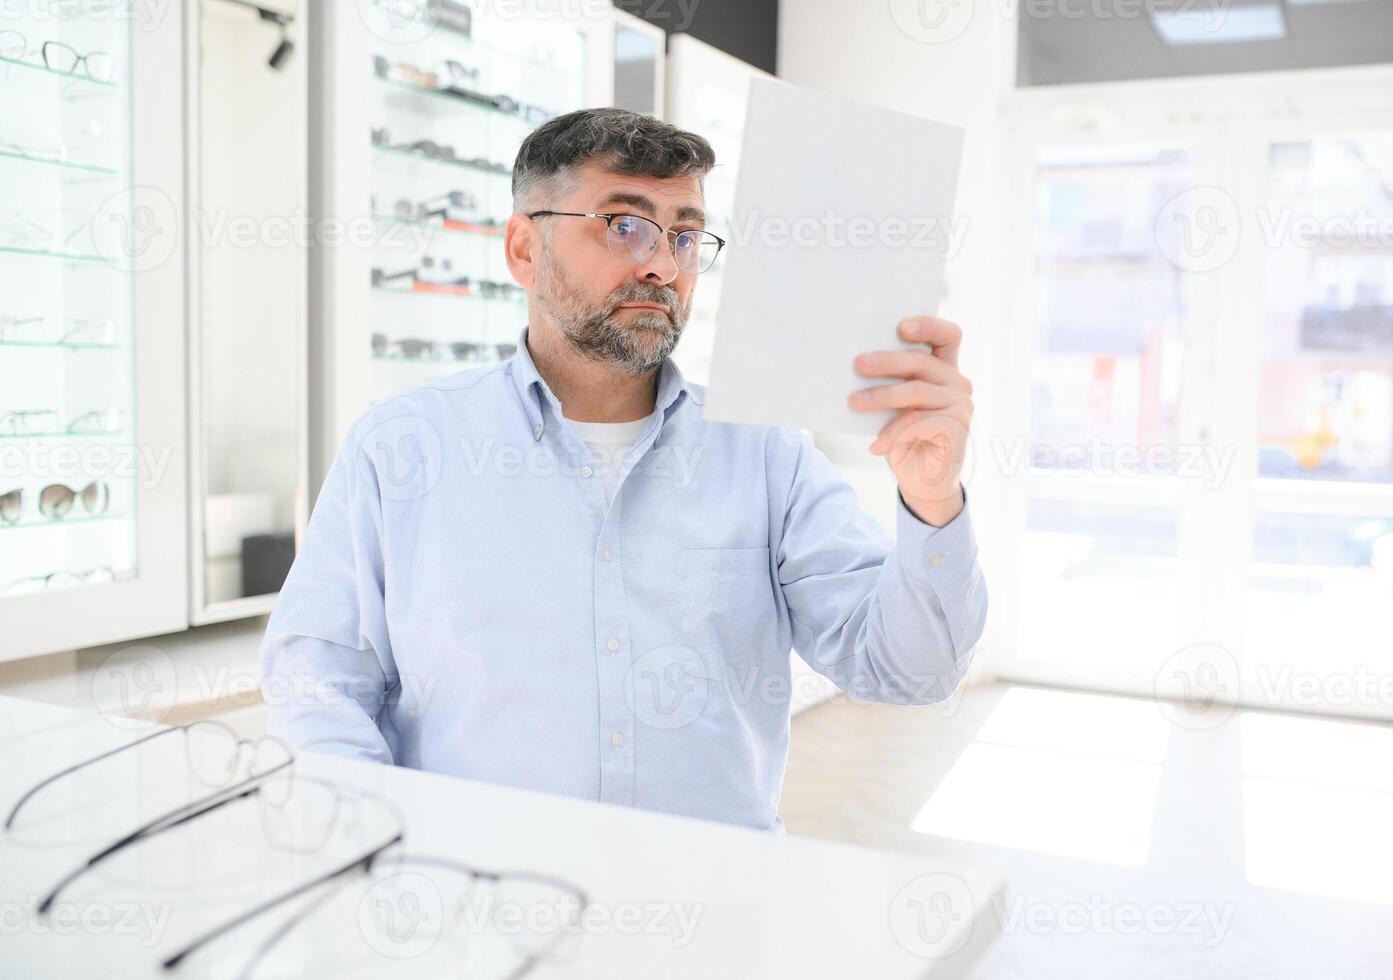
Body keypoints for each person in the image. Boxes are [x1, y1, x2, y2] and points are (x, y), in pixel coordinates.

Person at [261, 108, 986, 831]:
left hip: (710, 902)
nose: (663, 266)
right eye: (623, 224)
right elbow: (318, 683)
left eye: (684, 234)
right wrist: (380, 842)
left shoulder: (765, 453)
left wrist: (930, 501)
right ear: (523, 249)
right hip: (474, 899)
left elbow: (908, 672)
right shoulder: (402, 448)